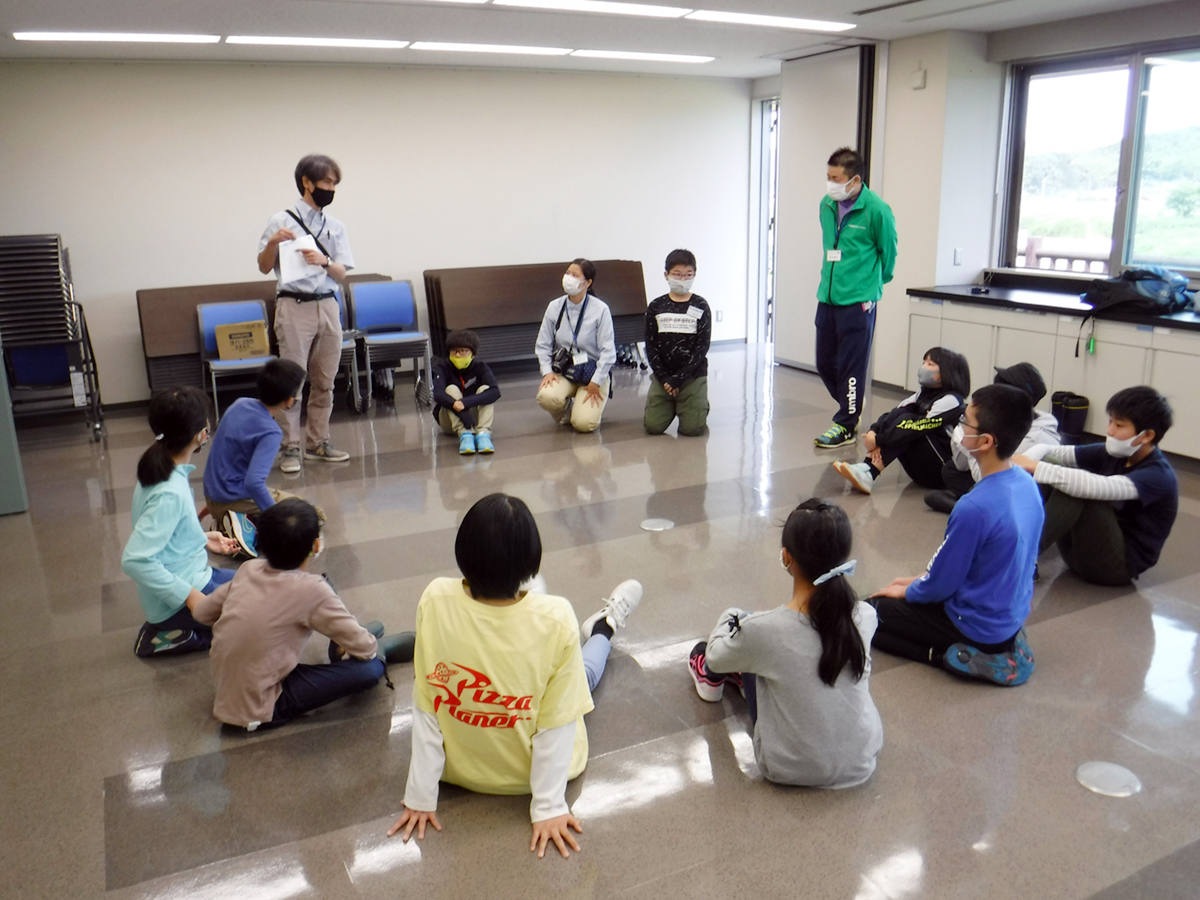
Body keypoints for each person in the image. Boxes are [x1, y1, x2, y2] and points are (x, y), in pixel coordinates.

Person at [387, 493, 642, 859]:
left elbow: (427, 704)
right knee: (581, 677)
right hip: (527, 774)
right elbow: (556, 723)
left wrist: (420, 795)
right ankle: (605, 626)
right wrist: (548, 806)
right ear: (531, 562)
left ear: (463, 553)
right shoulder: (558, 617)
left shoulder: (434, 599)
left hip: (458, 771)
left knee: (558, 665)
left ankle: (541, 607)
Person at [687, 499, 883, 788]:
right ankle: (743, 670)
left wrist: (732, 615)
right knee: (764, 646)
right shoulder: (865, 615)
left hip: (786, 767)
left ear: (787, 556)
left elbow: (716, 656)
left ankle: (713, 677)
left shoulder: (763, 629)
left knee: (745, 644)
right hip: (862, 761)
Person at [190, 498, 415, 730]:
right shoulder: (311, 590)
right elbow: (366, 650)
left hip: (233, 690)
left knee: (325, 593)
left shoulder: (248, 569)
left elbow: (203, 613)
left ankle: (346, 641)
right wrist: (369, 647)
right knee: (369, 668)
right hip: (261, 707)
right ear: (315, 545)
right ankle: (376, 649)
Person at [870, 384, 1042, 685]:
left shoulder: (974, 507)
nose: (960, 427)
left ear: (986, 441)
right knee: (894, 593)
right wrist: (915, 581)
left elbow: (940, 586)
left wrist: (909, 591)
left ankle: (946, 655)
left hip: (977, 627)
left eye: (965, 421)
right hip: (1009, 617)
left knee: (869, 613)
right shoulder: (1026, 484)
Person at [1012, 386, 1177, 586]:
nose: (1109, 431)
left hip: (1115, 567)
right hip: (1077, 552)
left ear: (1147, 436)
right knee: (1053, 463)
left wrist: (1035, 466)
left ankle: (1020, 557)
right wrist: (1023, 462)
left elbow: (1099, 486)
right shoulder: (1115, 453)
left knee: (1077, 488)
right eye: (1110, 422)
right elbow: (1049, 451)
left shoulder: (1158, 475)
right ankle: (1012, 541)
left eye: (1119, 425)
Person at [122, 386, 239, 658]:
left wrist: (202, 538)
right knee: (267, 615)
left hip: (193, 577)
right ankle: (173, 635)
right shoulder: (169, 491)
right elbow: (135, 561)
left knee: (259, 585)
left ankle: (182, 627)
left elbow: (167, 531)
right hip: (177, 602)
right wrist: (189, 597)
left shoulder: (164, 467)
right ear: (201, 435)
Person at [257, 154, 354, 473]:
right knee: (291, 382)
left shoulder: (335, 226)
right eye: (326, 182)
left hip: (328, 304)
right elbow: (263, 267)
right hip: (293, 305)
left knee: (325, 379)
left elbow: (342, 273)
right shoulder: (280, 220)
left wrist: (325, 262)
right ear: (307, 183)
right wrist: (272, 243)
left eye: (334, 183)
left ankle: (318, 443)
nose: (331, 189)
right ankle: (289, 447)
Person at [813, 147, 898, 449]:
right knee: (824, 362)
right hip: (828, 297)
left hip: (858, 301)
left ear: (855, 180)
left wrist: (869, 285)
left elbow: (889, 255)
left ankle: (846, 424)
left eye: (836, 179)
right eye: (828, 177)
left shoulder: (877, 210)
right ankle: (852, 404)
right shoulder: (826, 204)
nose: (831, 184)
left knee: (852, 366)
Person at [202, 358, 308, 555]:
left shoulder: (239, 404)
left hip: (213, 496)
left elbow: (221, 458)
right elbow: (254, 483)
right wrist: (278, 520)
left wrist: (211, 503)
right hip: (232, 499)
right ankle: (243, 527)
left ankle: (231, 519)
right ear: (289, 400)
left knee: (276, 499)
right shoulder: (271, 432)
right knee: (308, 514)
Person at [925, 362, 1060, 514]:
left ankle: (976, 509)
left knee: (948, 491)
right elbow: (961, 465)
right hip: (1002, 478)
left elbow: (996, 478)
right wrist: (964, 436)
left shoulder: (1033, 437)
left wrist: (969, 446)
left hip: (1018, 494)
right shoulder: (1010, 419)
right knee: (950, 470)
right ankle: (973, 504)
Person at [834, 347, 970, 495]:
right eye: (924, 362)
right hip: (919, 472)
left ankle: (870, 471)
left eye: (930, 364)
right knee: (902, 416)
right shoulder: (923, 393)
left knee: (910, 429)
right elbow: (895, 413)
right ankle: (867, 468)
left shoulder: (952, 401)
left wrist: (879, 440)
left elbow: (920, 427)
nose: (923, 367)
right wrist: (874, 431)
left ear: (946, 372)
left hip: (942, 473)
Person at [535, 259, 617, 434]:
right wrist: (547, 371)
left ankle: (585, 411)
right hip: (566, 368)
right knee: (546, 396)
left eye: (575, 275)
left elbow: (608, 352)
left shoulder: (600, 309)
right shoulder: (555, 307)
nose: (568, 278)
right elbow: (543, 344)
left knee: (584, 425)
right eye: (568, 273)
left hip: (593, 372)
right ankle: (568, 411)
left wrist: (596, 382)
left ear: (587, 283)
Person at [644, 249, 712, 437]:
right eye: (677, 274)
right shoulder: (656, 306)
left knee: (692, 430)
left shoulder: (701, 305)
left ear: (694, 274)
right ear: (666, 275)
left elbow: (702, 346)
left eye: (688, 275)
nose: (683, 279)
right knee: (653, 427)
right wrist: (665, 378)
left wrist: (680, 378)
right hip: (664, 378)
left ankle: (696, 404)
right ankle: (673, 404)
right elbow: (650, 345)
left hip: (692, 376)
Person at [430, 329, 501, 455]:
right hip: (450, 422)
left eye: (463, 351)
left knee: (485, 389)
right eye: (454, 351)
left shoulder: (480, 367)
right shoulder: (442, 368)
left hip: (473, 419)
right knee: (451, 389)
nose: (458, 355)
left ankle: (483, 434)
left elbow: (495, 392)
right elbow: (438, 394)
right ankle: (465, 435)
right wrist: (460, 411)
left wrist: (465, 403)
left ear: (472, 354)